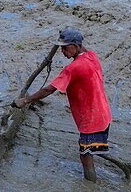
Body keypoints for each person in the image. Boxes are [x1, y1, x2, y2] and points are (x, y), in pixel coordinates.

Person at [13, 28, 111, 181]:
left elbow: (48, 90)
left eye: (66, 48)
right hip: (104, 112)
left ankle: (90, 184)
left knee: (85, 155)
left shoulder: (73, 68)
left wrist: (25, 100)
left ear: (76, 46)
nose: (63, 52)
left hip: (91, 119)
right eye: (61, 48)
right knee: (92, 147)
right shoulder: (92, 55)